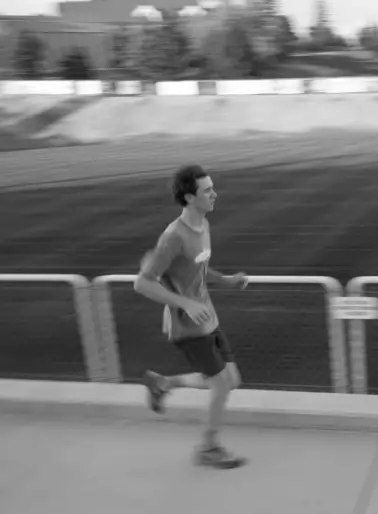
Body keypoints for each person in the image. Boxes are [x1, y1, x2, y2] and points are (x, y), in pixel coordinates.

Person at [134, 164, 248, 470]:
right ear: (188, 197)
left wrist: (226, 281)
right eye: (207, 190)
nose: (215, 194)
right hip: (187, 325)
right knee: (221, 385)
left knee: (231, 380)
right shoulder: (174, 237)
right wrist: (184, 302)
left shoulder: (203, 226)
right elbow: (143, 282)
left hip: (207, 317)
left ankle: (163, 383)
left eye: (213, 187)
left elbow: (197, 268)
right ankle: (209, 448)